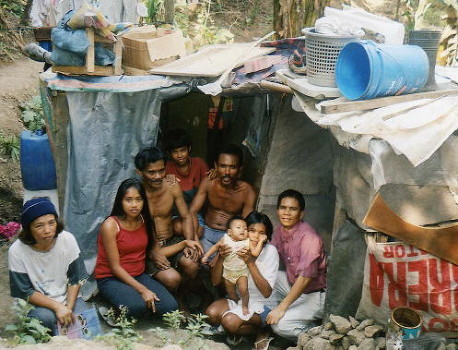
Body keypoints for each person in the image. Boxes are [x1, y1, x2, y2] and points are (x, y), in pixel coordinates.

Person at [94, 178, 178, 318]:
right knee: (136, 306)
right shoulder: (111, 225)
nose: (134, 205)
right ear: (120, 201)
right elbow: (115, 267)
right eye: (129, 200)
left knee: (170, 307)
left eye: (138, 199)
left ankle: (131, 304)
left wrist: (185, 243)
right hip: (111, 278)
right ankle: (113, 307)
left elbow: (152, 249)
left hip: (138, 275)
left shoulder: (145, 220)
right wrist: (143, 290)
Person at [8, 197, 88, 335]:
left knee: (83, 320)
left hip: (67, 297)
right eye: (39, 226)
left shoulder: (67, 240)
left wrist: (67, 308)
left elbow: (75, 278)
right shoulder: (17, 251)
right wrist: (57, 307)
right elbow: (24, 291)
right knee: (45, 319)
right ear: (29, 229)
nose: (47, 230)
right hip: (38, 303)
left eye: (51, 223)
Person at [205, 211, 279, 350]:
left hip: (262, 304)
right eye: (251, 230)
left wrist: (250, 263)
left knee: (229, 322)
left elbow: (266, 292)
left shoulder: (270, 251)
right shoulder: (235, 246)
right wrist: (221, 256)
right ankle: (238, 330)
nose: (255, 236)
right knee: (211, 314)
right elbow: (215, 282)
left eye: (261, 233)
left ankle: (263, 330)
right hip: (239, 299)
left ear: (266, 236)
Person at [134, 146, 202, 292]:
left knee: (192, 265)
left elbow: (186, 216)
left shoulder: (172, 186)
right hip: (148, 248)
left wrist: (190, 242)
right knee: (172, 279)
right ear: (139, 172)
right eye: (151, 172)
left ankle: (187, 294)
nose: (158, 176)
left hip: (171, 241)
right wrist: (152, 253)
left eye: (161, 170)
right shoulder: (135, 194)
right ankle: (176, 301)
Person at [266, 189, 327, 341]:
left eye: (293, 209)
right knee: (265, 279)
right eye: (283, 207)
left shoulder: (309, 238)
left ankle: (315, 332)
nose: (287, 213)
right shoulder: (280, 230)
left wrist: (281, 308)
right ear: (277, 210)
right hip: (293, 285)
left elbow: (305, 278)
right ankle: (285, 314)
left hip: (315, 295)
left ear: (301, 214)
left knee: (280, 325)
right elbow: (268, 255)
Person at [190, 144, 257, 253]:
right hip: (204, 232)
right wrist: (195, 239)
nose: (227, 172)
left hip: (229, 237)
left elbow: (246, 225)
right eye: (223, 166)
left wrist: (230, 243)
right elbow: (192, 211)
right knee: (192, 262)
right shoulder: (209, 182)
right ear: (216, 166)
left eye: (232, 167)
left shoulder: (247, 191)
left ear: (240, 169)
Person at [202, 215, 264, 316]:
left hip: (241, 272)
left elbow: (255, 253)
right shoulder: (225, 239)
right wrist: (206, 256)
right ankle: (236, 304)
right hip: (228, 272)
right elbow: (215, 247)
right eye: (238, 228)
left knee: (243, 289)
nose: (242, 230)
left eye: (245, 228)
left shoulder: (247, 242)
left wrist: (260, 241)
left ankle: (244, 305)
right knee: (230, 292)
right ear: (230, 232)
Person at [164, 128, 209, 238]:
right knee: (179, 228)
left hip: (194, 212)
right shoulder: (166, 168)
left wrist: (214, 174)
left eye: (182, 150)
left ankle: (189, 245)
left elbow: (209, 184)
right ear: (169, 153)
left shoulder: (199, 164)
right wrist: (165, 180)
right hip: (176, 213)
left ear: (189, 149)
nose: (179, 155)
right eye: (175, 152)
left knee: (198, 232)